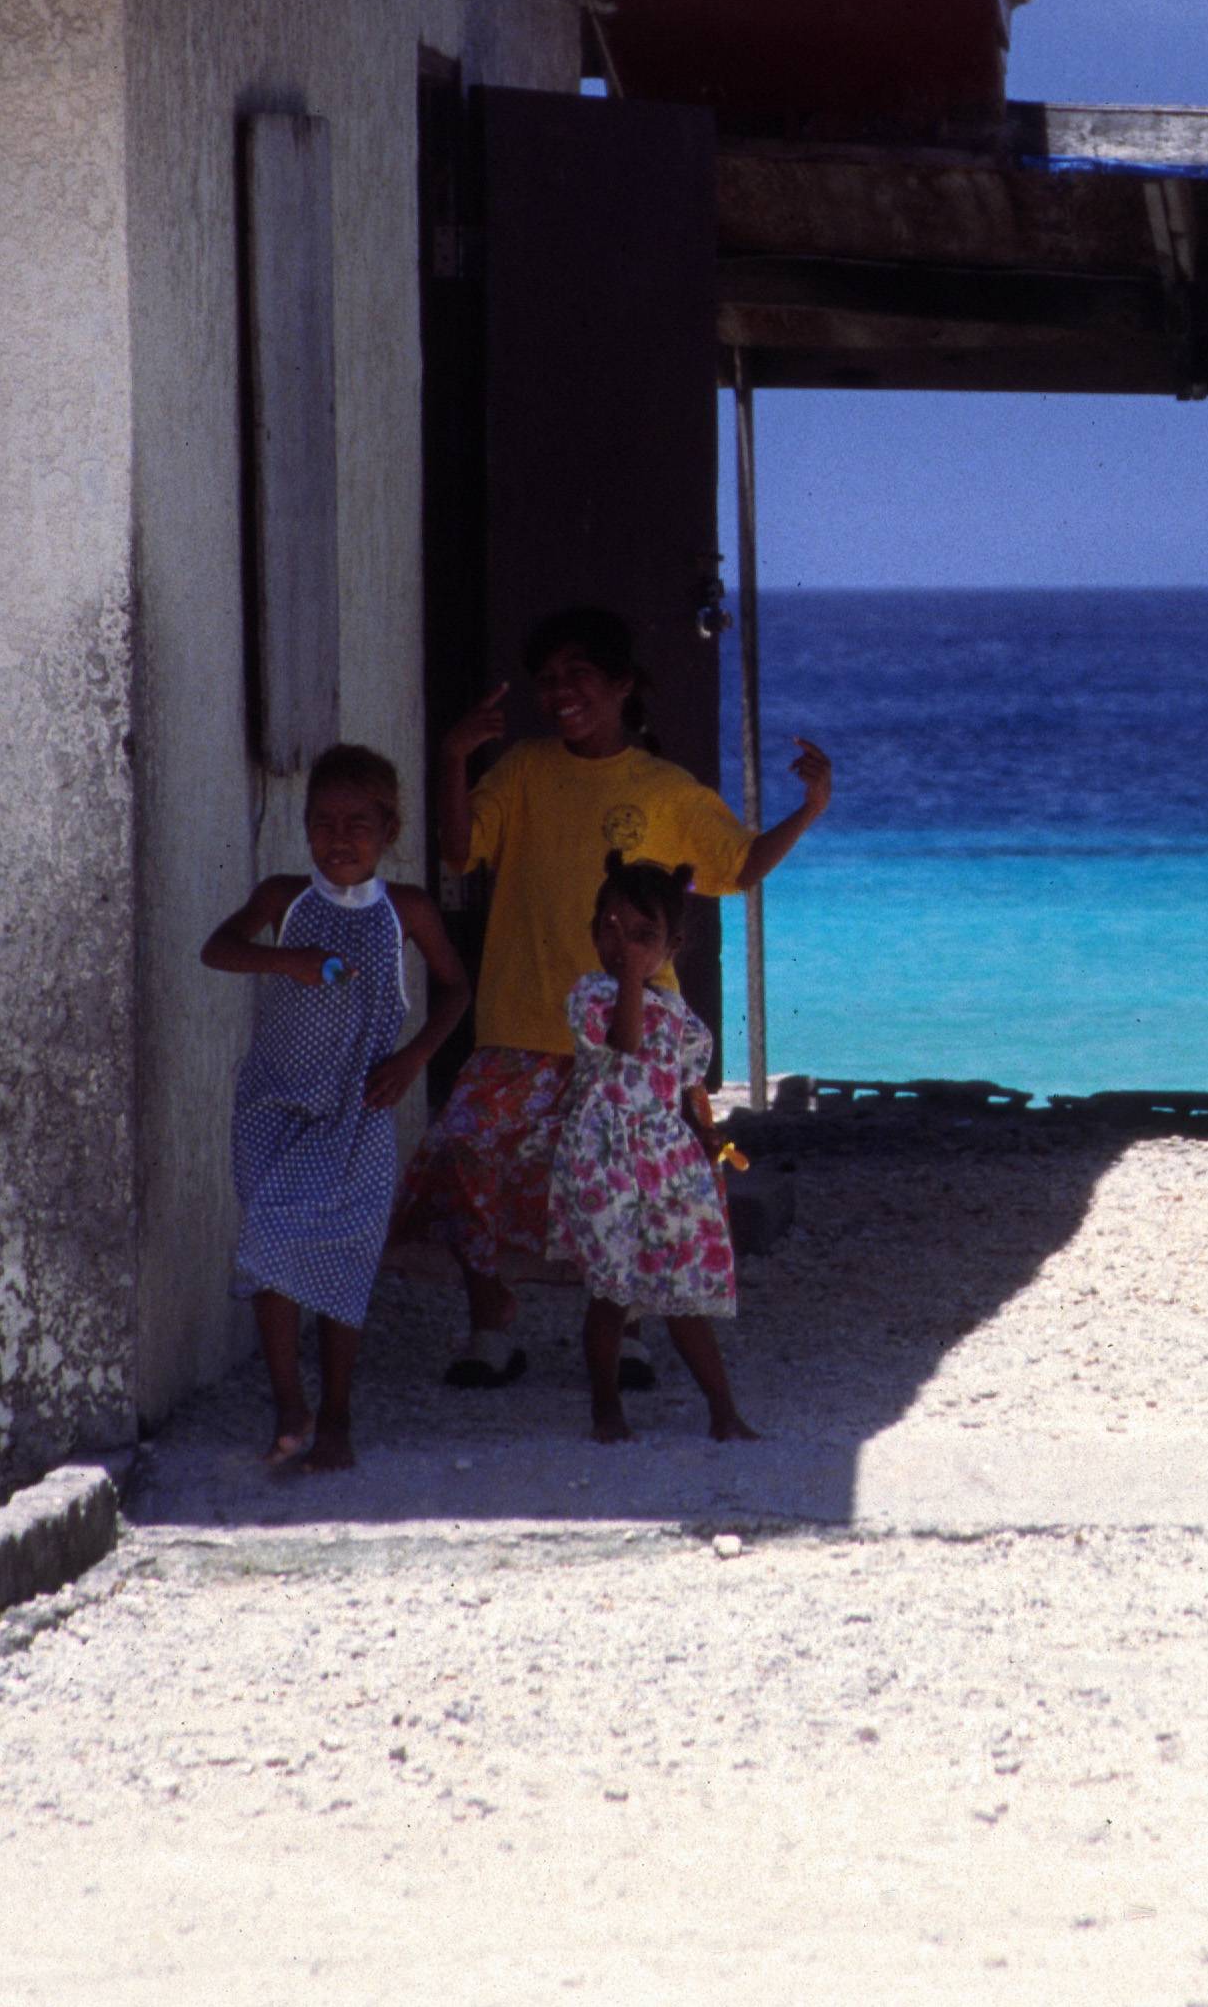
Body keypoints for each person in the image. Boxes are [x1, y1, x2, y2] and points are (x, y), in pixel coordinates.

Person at [400, 603, 830, 1387]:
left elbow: (737, 867)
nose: (560, 691)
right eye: (548, 679)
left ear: (624, 685)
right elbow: (461, 852)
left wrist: (810, 809)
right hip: (520, 1021)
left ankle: (627, 1328)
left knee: (629, 1184)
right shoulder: (524, 769)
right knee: (473, 1164)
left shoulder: (666, 789)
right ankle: (491, 1330)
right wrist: (454, 757)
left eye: (580, 675)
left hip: (628, 1045)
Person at [199, 743, 465, 1470]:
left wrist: (415, 1057)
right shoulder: (286, 900)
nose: (339, 838)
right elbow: (217, 949)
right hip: (273, 1110)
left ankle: (338, 1414)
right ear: (305, 826)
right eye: (323, 822)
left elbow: (455, 988)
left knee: (345, 1261)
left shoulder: (404, 910)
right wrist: (285, 959)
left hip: (358, 1114)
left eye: (358, 823)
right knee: (269, 1248)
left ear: (389, 829)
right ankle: (290, 1404)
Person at [552, 860, 759, 1445]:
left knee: (684, 1289)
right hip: (607, 1161)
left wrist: (704, 1133)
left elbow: (684, 1084)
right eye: (611, 931)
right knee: (612, 1292)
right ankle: (606, 1410)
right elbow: (626, 1041)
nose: (624, 949)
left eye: (643, 937)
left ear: (673, 945)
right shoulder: (591, 995)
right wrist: (635, 980)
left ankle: (723, 1411)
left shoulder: (680, 1017)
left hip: (669, 1163)